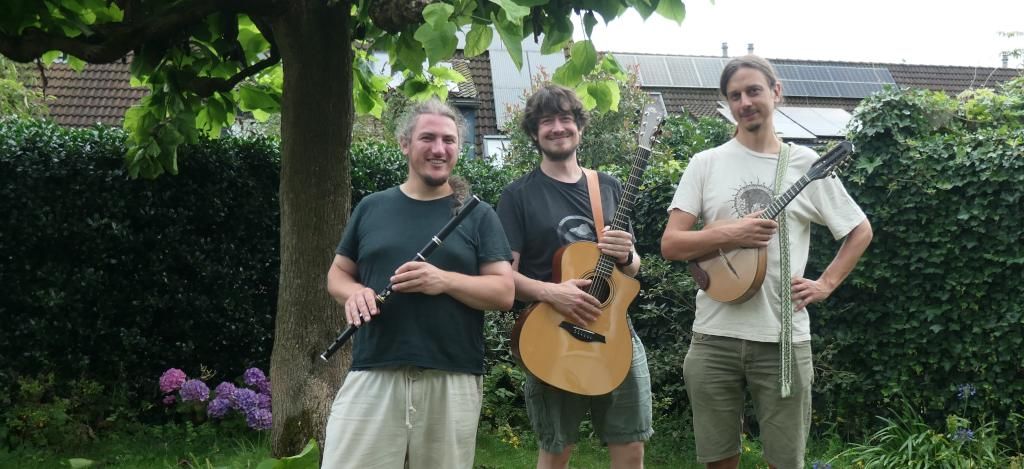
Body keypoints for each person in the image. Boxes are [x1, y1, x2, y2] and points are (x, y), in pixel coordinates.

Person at [660, 55, 873, 469]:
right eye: (735, 95)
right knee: (717, 458)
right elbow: (671, 244)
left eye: (753, 90)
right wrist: (732, 233)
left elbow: (859, 230)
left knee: (785, 461)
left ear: (775, 92)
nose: (745, 102)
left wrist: (825, 284)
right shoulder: (705, 164)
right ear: (727, 104)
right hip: (712, 336)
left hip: (783, 339)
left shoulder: (805, 165)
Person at [322, 99, 514, 469]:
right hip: (375, 367)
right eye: (428, 138)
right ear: (405, 144)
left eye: (449, 140)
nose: (439, 149)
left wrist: (443, 280)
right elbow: (337, 275)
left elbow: (503, 293)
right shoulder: (372, 207)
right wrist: (355, 292)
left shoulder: (478, 215)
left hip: (451, 373)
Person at [497, 84, 653, 469]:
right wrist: (553, 293)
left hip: (615, 332)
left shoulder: (609, 187)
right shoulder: (518, 196)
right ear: (534, 133)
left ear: (579, 127)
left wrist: (629, 255)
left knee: (631, 445)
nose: (557, 127)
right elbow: (502, 276)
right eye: (546, 121)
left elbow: (633, 270)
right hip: (552, 333)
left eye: (565, 118)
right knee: (556, 450)